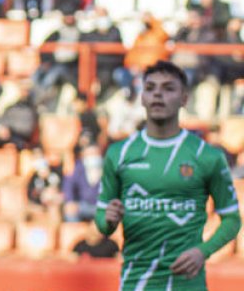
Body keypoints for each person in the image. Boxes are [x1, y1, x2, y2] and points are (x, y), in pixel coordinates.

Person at [97, 61, 241, 289]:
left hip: (187, 285)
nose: (157, 95)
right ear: (142, 97)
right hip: (137, 283)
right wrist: (108, 219)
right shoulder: (118, 153)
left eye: (168, 88)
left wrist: (203, 251)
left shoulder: (207, 156)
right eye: (151, 88)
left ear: (184, 98)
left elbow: (232, 219)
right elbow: (103, 223)